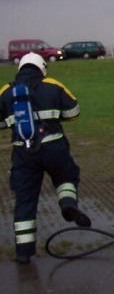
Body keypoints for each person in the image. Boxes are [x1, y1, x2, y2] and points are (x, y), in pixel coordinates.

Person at [0, 53, 90, 264]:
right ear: (42, 68)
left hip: (23, 151)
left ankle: (23, 252)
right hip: (53, 146)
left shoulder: (6, 90)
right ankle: (67, 203)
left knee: (25, 199)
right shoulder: (53, 85)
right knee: (66, 175)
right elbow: (74, 112)